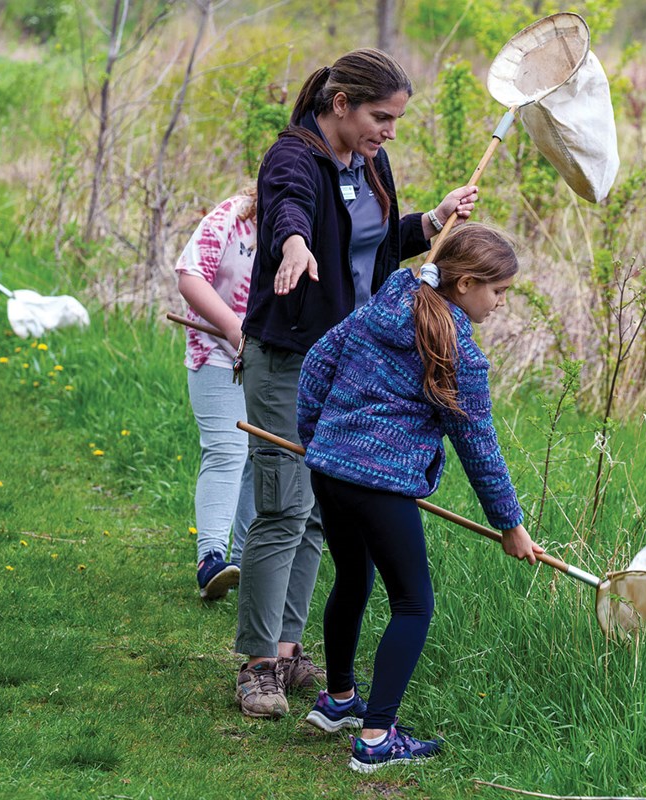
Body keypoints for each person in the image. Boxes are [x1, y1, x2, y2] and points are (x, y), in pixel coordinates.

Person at [234, 47, 478, 720]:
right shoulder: (294, 157)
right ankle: (256, 663)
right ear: (340, 105)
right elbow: (287, 210)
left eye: (396, 120)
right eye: (381, 117)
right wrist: (292, 245)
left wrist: (430, 221)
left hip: (349, 362)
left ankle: (288, 649)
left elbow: (371, 247)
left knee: (319, 510)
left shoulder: (370, 163)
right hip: (290, 355)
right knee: (282, 504)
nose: (389, 131)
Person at [295, 222, 543, 773]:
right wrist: (510, 525)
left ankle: (338, 702)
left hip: (331, 472)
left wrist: (317, 439)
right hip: (380, 486)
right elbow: (479, 447)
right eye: (498, 291)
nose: (501, 303)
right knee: (413, 603)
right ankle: (377, 737)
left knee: (354, 580)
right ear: (466, 284)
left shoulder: (386, 304)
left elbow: (317, 362)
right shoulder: (459, 354)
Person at [175, 187, 258, 601]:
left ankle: (242, 563)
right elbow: (190, 275)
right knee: (227, 449)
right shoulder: (233, 218)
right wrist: (231, 327)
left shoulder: (313, 229)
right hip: (216, 353)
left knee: (261, 459)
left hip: (273, 362)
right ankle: (210, 557)